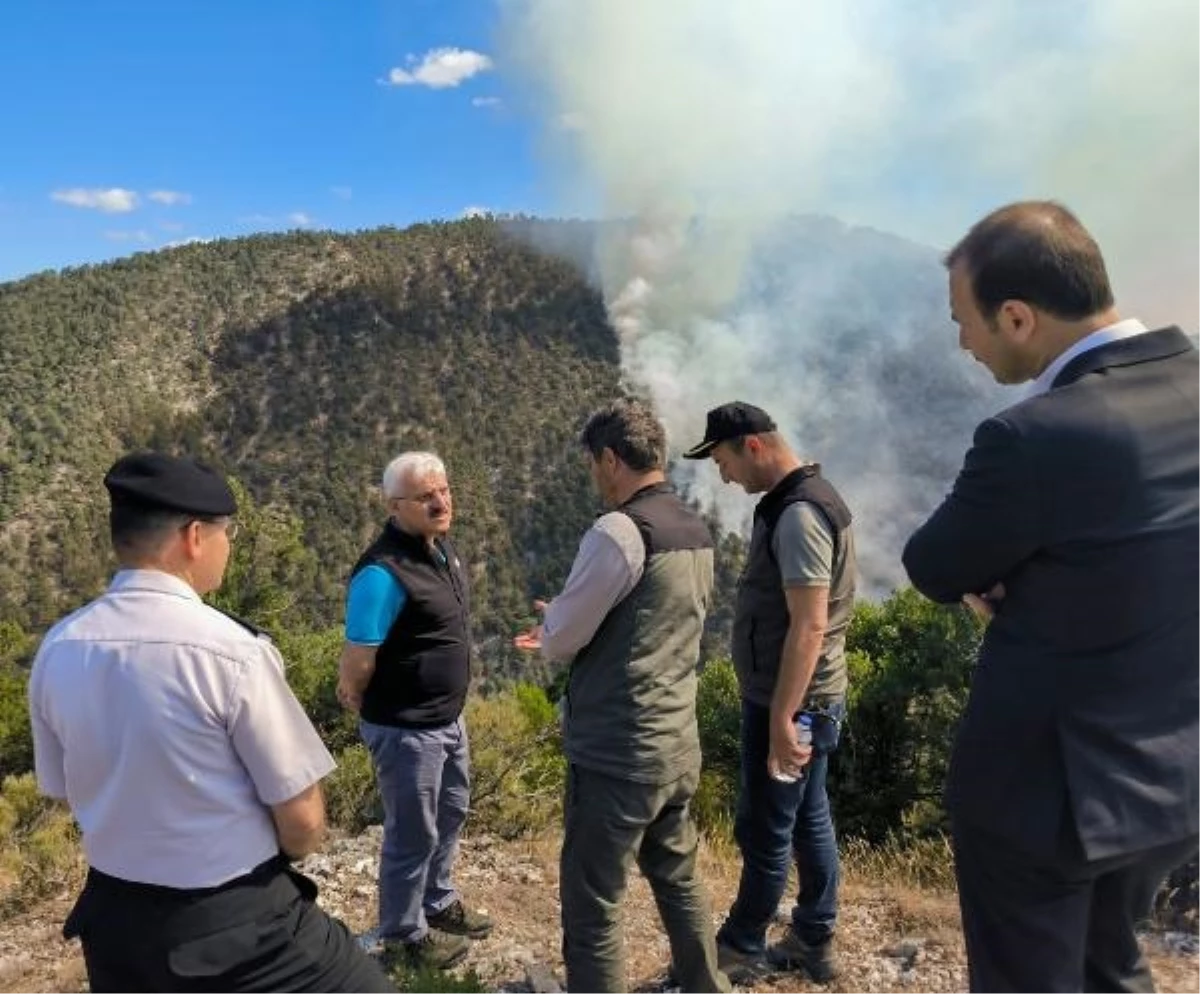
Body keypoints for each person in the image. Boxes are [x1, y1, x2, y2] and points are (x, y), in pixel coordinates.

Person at [903, 200, 1200, 994]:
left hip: (1045, 797)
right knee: (1110, 964)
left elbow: (932, 564)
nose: (962, 342)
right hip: (1172, 783)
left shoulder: (1034, 437)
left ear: (1018, 317)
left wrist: (1018, 575)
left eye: (964, 322)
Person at [28, 451, 395, 994]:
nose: (229, 545)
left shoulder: (58, 647)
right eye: (227, 532)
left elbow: (61, 788)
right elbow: (303, 820)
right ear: (194, 537)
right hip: (237, 927)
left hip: (115, 925)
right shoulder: (229, 652)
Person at [514, 399, 730, 994]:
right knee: (679, 876)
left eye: (592, 463)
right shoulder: (695, 529)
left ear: (611, 458)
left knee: (594, 904)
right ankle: (707, 985)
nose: (593, 475)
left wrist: (552, 623)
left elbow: (563, 638)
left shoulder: (620, 531)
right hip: (677, 743)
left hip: (617, 750)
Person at [682, 401, 857, 984]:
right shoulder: (806, 498)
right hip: (809, 696)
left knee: (765, 824)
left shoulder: (798, 516)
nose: (724, 476)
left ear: (752, 446)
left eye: (724, 461)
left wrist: (783, 717)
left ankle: (740, 944)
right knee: (807, 815)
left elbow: (807, 625)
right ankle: (813, 937)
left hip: (795, 702)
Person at [336, 451, 489, 972]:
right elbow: (358, 655)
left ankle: (437, 900)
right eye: (426, 496)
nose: (440, 501)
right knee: (412, 832)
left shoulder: (440, 548)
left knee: (450, 813)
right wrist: (353, 691)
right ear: (395, 505)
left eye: (444, 490)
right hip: (405, 729)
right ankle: (403, 935)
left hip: (447, 719)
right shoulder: (382, 572)